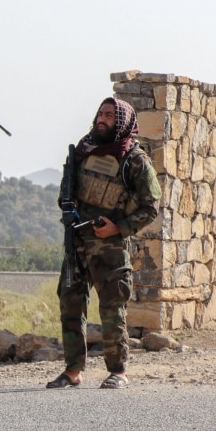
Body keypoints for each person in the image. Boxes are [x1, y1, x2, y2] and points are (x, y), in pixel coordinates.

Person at [46, 97, 161, 390]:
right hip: (77, 242)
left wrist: (118, 228)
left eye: (110, 115)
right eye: (101, 113)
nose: (103, 118)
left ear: (121, 122)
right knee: (70, 305)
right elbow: (66, 193)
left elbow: (151, 208)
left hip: (109, 248)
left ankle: (118, 371)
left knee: (112, 309)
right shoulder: (82, 151)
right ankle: (72, 370)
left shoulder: (134, 160)